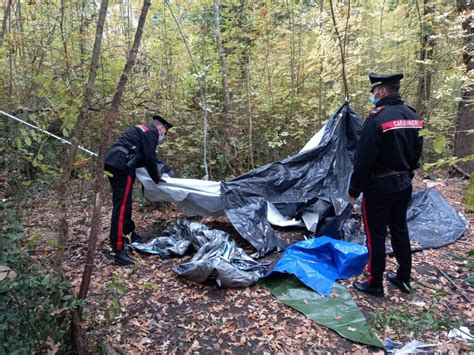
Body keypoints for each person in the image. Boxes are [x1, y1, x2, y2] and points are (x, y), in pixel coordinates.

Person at [348, 73, 423, 297]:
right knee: (400, 230)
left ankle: (375, 283)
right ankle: (403, 278)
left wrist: (354, 190)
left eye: (373, 91)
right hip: (403, 184)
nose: (372, 95)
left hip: (379, 188)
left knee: (376, 235)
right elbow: (416, 154)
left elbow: (364, 160)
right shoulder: (413, 116)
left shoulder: (376, 119)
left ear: (381, 91)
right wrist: (407, 175)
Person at [105, 114, 173, 265]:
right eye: (164, 133)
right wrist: (157, 179)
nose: (163, 136)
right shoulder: (151, 132)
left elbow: (145, 157)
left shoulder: (142, 130)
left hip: (116, 161)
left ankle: (129, 234)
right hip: (121, 165)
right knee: (121, 207)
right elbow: (149, 158)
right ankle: (118, 249)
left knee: (125, 204)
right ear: (161, 127)